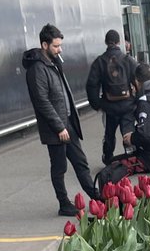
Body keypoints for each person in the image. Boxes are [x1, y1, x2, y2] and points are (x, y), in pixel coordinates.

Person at [22, 23, 96, 214]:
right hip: (57, 128)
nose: (60, 49)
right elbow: (42, 101)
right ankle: (64, 203)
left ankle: (97, 197)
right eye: (55, 46)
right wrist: (59, 127)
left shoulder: (54, 63)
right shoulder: (37, 69)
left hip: (67, 123)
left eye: (60, 45)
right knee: (59, 166)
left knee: (81, 162)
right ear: (44, 45)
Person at [85, 29, 138, 166]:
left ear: (106, 42)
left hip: (109, 106)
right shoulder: (127, 60)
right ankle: (131, 156)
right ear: (119, 42)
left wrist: (97, 104)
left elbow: (91, 85)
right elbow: (138, 79)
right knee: (128, 130)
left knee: (109, 134)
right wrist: (137, 100)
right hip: (127, 105)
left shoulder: (100, 61)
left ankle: (108, 158)